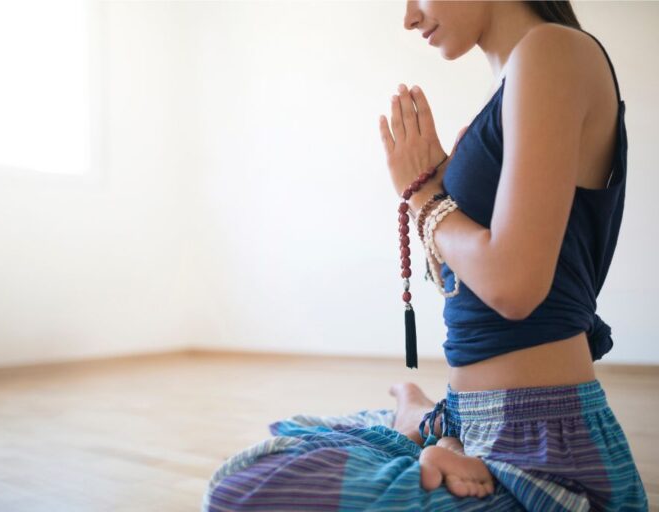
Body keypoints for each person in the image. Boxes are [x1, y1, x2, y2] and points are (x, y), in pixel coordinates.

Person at [202, 2, 649, 510]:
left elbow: (513, 286)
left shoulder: (553, 50)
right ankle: (437, 427)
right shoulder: (514, 80)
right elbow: (473, 282)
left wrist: (423, 198)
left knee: (241, 489)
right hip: (475, 418)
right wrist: (440, 193)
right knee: (288, 443)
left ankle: (426, 426)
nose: (410, 17)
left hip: (541, 445)